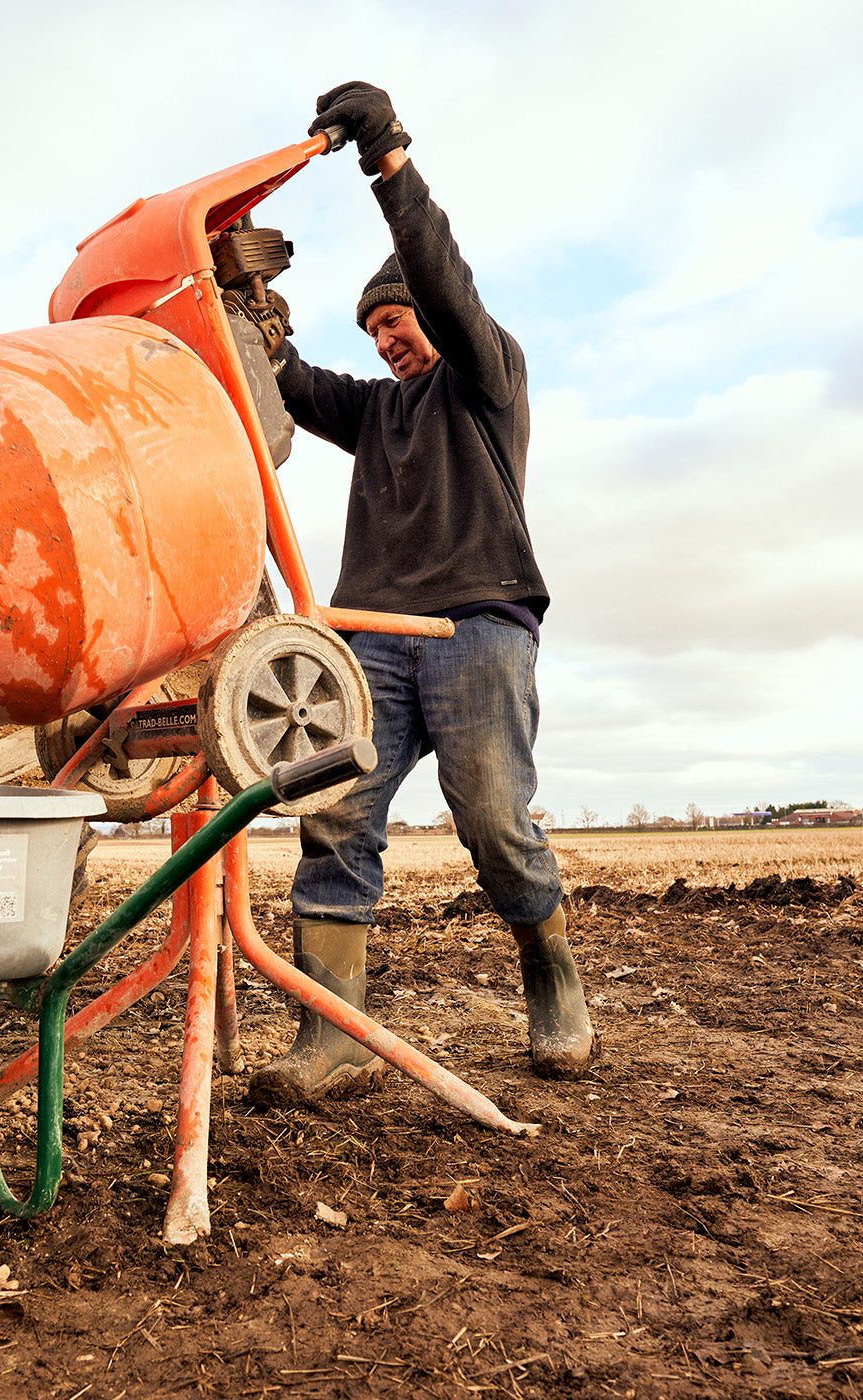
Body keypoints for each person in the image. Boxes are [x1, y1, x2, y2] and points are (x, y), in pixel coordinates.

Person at [248, 82, 595, 1105]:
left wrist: (386, 160)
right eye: (375, 333)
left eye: (396, 321)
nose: (388, 342)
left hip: (477, 626)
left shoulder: (484, 378)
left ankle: (552, 975)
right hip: (371, 638)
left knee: (490, 817)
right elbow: (293, 384)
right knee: (333, 810)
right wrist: (248, 319)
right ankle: (334, 1032)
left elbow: (444, 279)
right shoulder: (378, 410)